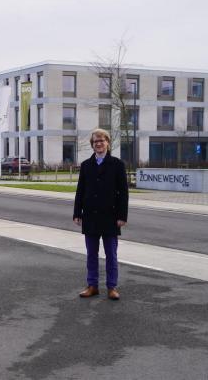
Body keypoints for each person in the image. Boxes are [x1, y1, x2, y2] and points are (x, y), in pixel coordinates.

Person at [73, 128, 128, 300]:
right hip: (90, 216)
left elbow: (123, 193)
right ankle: (92, 285)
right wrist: (77, 212)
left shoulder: (117, 165)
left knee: (111, 254)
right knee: (91, 254)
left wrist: (122, 216)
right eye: (95, 141)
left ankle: (112, 287)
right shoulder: (86, 166)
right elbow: (80, 190)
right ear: (92, 145)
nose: (98, 144)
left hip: (110, 217)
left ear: (107, 143)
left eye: (102, 140)